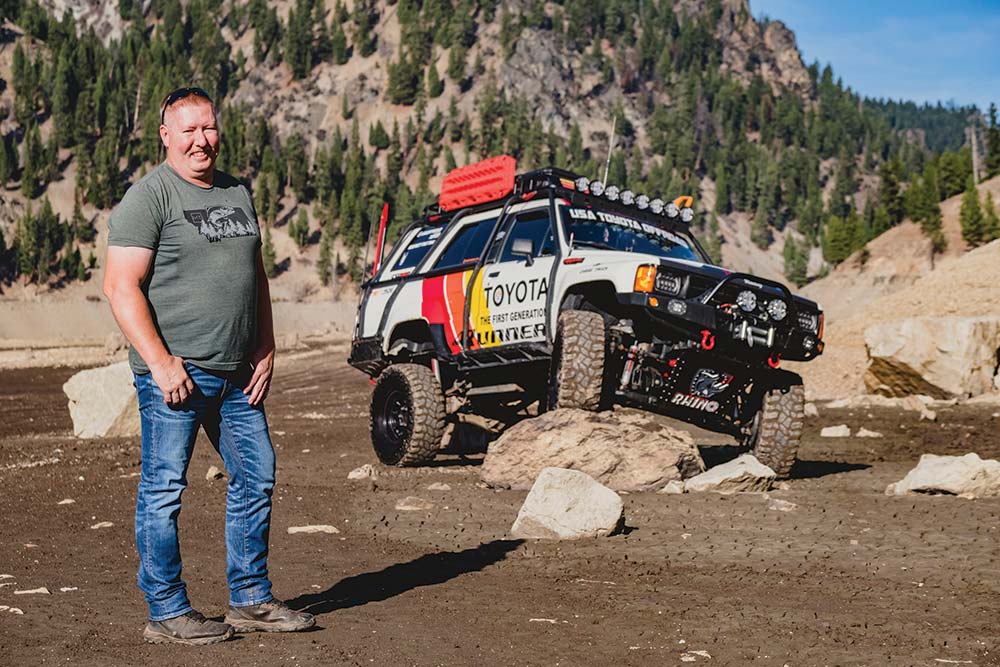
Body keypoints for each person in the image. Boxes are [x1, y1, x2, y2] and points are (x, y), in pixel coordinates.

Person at [103, 87, 314, 645]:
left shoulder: (237, 192)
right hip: (176, 376)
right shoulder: (149, 198)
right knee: (165, 488)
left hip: (238, 375)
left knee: (257, 475)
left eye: (210, 128)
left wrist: (266, 345)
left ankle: (250, 599)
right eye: (189, 130)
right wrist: (160, 363)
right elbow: (120, 287)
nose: (202, 140)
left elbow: (256, 277)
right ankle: (167, 611)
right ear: (166, 136)